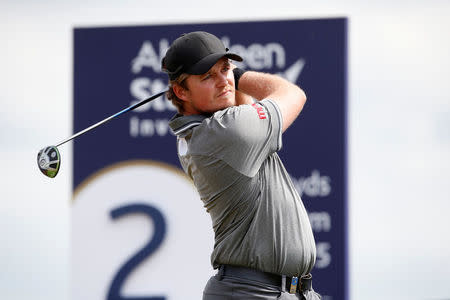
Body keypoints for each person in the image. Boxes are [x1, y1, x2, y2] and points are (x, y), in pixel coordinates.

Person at [162, 31, 321, 300]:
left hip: (281, 292)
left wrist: (223, 80)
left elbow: (243, 105)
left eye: (224, 69)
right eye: (207, 76)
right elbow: (293, 94)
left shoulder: (208, 131)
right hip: (253, 292)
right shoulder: (224, 132)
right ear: (180, 91)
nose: (222, 81)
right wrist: (238, 76)